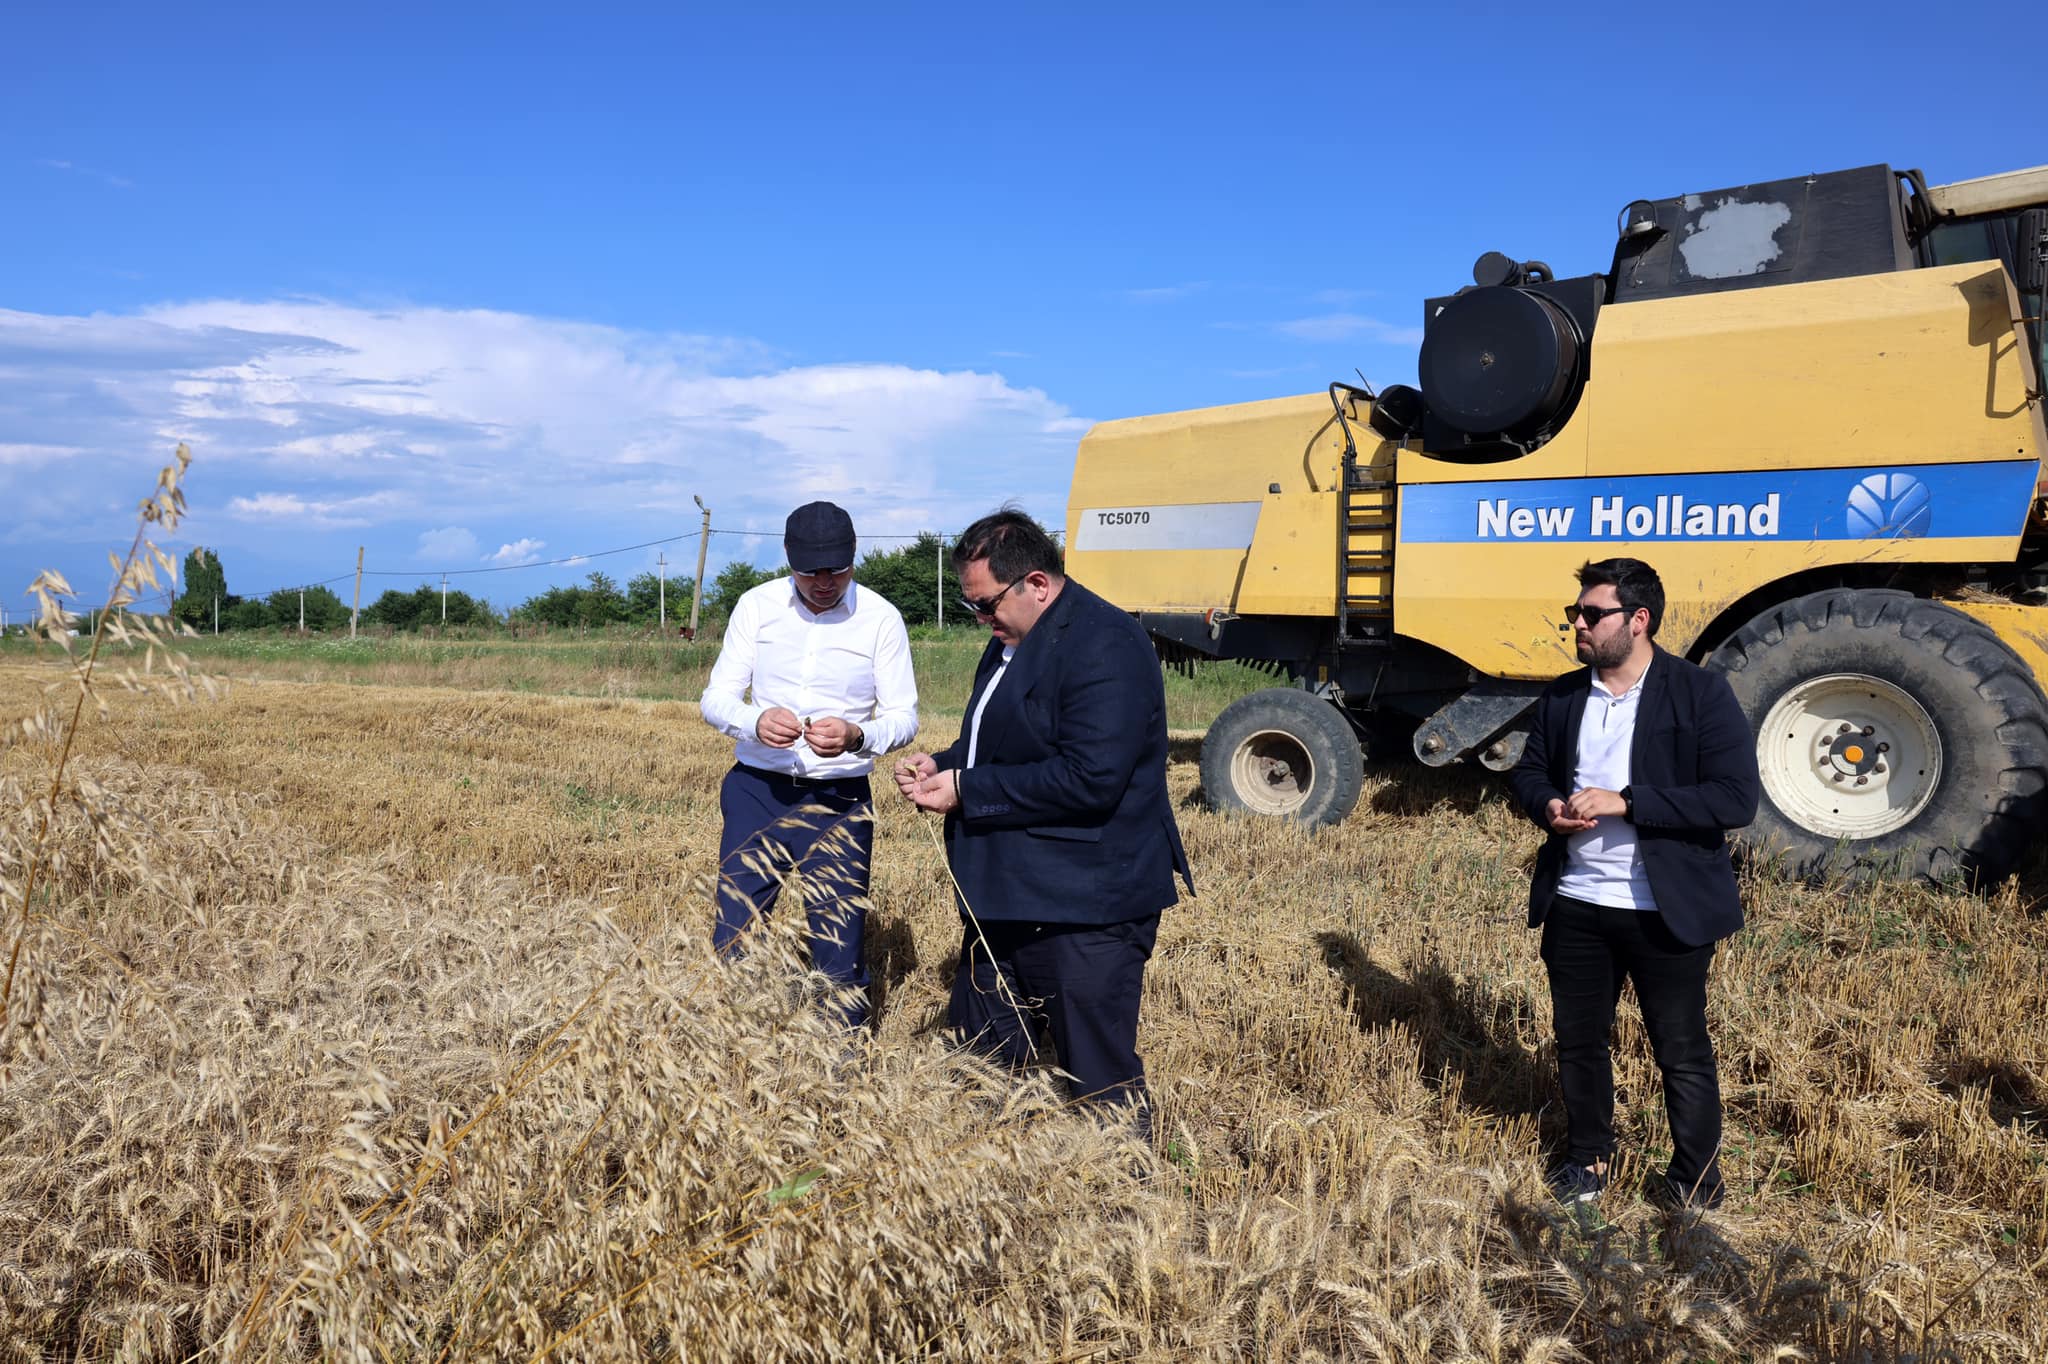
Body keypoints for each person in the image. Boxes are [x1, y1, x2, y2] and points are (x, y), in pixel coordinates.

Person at [894, 508, 1191, 1135]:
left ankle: (1126, 1187)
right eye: (973, 606)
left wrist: (967, 789)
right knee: (982, 1070)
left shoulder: (1106, 644)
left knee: (1098, 1081)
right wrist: (944, 764)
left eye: (985, 604)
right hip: (1007, 899)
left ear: (1036, 583)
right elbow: (1008, 741)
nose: (981, 618)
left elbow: (1090, 777)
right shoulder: (1014, 636)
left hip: (1085, 906)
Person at [1509, 557, 1760, 1210]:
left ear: (1639, 620)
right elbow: (1529, 773)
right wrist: (1548, 807)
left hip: (1662, 910)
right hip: (1577, 901)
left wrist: (1628, 802)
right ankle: (1588, 1161)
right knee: (1578, 1043)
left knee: (1681, 1050)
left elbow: (1735, 799)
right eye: (1576, 613)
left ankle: (1696, 1183)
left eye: (1592, 614)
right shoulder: (1564, 696)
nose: (1579, 625)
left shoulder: (1698, 693)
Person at [700, 501, 918, 1029]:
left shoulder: (881, 619)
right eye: (810, 571)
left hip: (839, 802)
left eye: (836, 570)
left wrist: (858, 735)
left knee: (839, 943)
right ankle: (730, 1041)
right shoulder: (756, 606)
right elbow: (715, 699)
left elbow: (904, 717)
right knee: (735, 933)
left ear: (854, 556)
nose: (824, 582)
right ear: (788, 558)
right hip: (757, 793)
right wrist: (754, 722)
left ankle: (842, 1052)